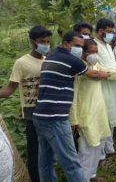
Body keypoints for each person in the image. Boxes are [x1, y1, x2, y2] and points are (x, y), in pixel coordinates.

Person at [33, 31, 109, 182]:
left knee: (46, 161)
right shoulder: (71, 60)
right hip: (56, 118)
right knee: (71, 162)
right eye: (76, 46)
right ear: (65, 44)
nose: (79, 50)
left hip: (40, 116)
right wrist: (106, 74)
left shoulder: (51, 56)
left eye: (81, 46)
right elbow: (93, 75)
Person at [69, 39, 116, 182]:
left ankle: (92, 175)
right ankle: (83, 179)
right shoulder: (78, 69)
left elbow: (109, 72)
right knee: (86, 150)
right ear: (83, 52)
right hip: (85, 115)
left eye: (96, 52)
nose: (93, 55)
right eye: (90, 52)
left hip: (99, 111)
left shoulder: (95, 65)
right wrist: (73, 120)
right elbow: (73, 98)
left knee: (98, 146)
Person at [0, 26, 52, 182]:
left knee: (48, 148)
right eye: (43, 41)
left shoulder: (48, 60)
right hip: (31, 111)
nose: (46, 45)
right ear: (32, 42)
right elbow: (9, 89)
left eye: (48, 41)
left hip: (49, 109)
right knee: (34, 149)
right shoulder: (21, 63)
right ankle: (34, 178)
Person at [94, 18, 116, 159]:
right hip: (103, 86)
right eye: (110, 32)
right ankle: (100, 155)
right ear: (100, 31)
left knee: (112, 118)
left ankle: (110, 149)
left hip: (114, 84)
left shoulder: (107, 45)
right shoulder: (94, 47)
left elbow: (113, 67)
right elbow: (104, 70)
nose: (112, 35)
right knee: (104, 119)